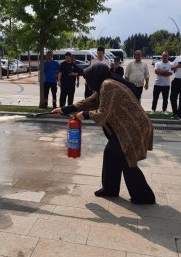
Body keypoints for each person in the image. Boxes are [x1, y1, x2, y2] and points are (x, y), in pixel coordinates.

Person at [51, 63, 156, 204]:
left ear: (95, 76)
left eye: (88, 78)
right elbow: (90, 101)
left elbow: (102, 114)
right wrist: (64, 109)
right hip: (125, 128)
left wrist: (85, 115)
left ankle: (144, 197)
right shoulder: (104, 86)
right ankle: (110, 189)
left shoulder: (108, 85)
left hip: (133, 128)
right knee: (111, 154)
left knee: (126, 159)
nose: (87, 82)